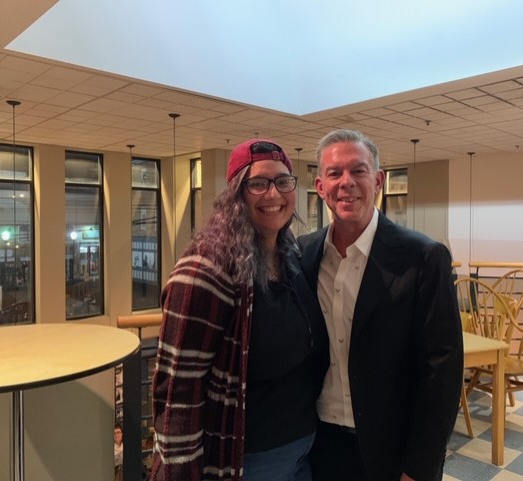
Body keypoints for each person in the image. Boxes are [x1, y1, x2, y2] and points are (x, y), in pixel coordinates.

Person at [150, 139, 328, 481]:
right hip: (247, 462)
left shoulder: (290, 253)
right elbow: (178, 390)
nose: (273, 193)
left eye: (283, 181)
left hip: (304, 451)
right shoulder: (206, 268)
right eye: (258, 183)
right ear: (235, 194)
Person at [298, 129, 463, 481]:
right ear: (320, 187)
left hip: (394, 450)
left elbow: (443, 372)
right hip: (319, 444)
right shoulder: (304, 254)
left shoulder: (423, 257)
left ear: (378, 181)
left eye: (358, 170)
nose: (346, 182)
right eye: (335, 173)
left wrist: (420, 466)